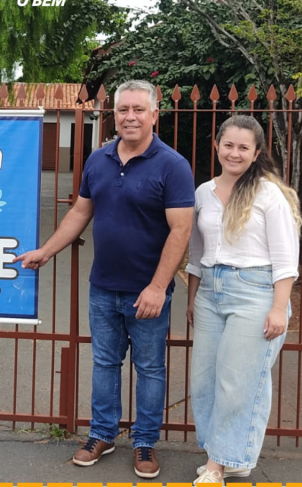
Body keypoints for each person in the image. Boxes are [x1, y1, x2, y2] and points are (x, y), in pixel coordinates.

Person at [15, 80, 194, 479]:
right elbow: (81, 212)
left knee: (150, 369)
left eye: (138, 109)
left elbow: (181, 230)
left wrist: (157, 287)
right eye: (123, 109)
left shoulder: (173, 165)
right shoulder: (98, 160)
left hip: (148, 291)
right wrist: (47, 250)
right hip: (103, 287)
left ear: (154, 114)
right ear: (114, 114)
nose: (130, 117)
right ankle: (102, 434)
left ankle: (145, 442)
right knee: (105, 364)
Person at [186, 115, 302, 486]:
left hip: (255, 291)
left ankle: (217, 466)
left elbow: (286, 259)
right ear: (217, 146)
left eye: (243, 147)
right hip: (210, 292)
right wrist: (192, 298)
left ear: (256, 153)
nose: (234, 153)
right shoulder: (203, 193)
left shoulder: (269, 194)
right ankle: (229, 457)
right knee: (204, 381)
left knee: (238, 383)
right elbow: (196, 254)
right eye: (228, 145)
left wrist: (278, 307)